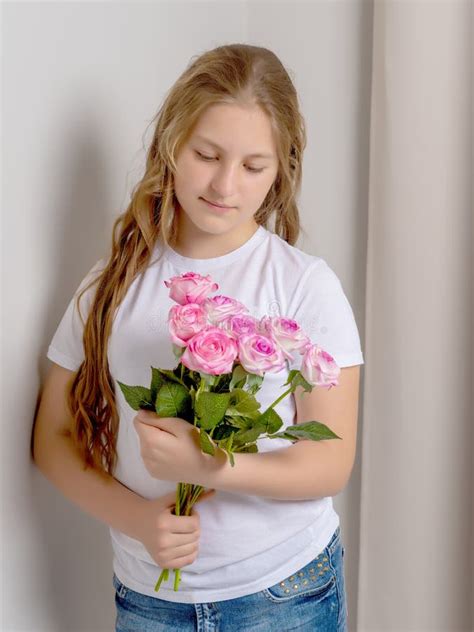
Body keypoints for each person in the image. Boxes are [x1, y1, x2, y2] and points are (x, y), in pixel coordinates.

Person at [32, 43, 364, 632]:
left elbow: (330, 461)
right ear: (171, 144)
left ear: (281, 169)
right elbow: (53, 439)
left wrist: (213, 467)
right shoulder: (112, 282)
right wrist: (138, 521)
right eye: (206, 154)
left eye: (253, 166)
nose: (224, 184)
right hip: (148, 600)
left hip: (284, 593)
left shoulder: (303, 286)